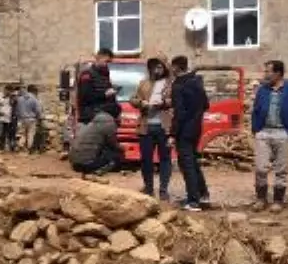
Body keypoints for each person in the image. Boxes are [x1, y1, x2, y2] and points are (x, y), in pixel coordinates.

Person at [250, 60, 288, 212]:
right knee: (261, 167)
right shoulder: (262, 90)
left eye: (268, 71)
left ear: (278, 73)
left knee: (281, 169)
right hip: (264, 132)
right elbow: (256, 110)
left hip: (282, 132)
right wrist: (256, 129)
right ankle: (261, 198)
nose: (265, 74)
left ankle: (278, 200)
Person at [169, 55, 210, 212]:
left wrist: (173, 134)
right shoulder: (197, 82)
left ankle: (193, 201)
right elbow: (206, 104)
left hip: (184, 130)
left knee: (187, 165)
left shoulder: (179, 85)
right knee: (193, 162)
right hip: (196, 129)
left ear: (176, 67)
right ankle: (203, 194)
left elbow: (179, 112)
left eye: (172, 67)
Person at [130, 57, 173, 201]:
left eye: (160, 67)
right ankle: (148, 187)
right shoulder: (144, 83)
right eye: (154, 67)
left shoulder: (170, 84)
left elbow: (176, 101)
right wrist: (141, 103)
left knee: (165, 159)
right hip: (146, 127)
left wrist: (164, 102)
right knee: (146, 159)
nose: (157, 70)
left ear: (165, 68)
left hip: (164, 127)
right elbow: (133, 99)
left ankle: (163, 190)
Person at [69, 110, 121, 175]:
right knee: (115, 155)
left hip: (74, 164)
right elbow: (113, 144)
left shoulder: (90, 124)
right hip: (87, 165)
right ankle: (99, 171)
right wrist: (122, 148)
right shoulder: (109, 124)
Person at [76, 47, 120, 124]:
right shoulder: (87, 74)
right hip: (91, 118)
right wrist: (105, 94)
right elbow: (86, 96)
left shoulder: (104, 75)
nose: (107, 64)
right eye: (106, 61)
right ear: (99, 58)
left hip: (103, 116)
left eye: (109, 62)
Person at [15, 85, 43, 152]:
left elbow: (17, 109)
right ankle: (29, 147)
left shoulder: (20, 98)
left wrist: (19, 117)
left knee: (23, 134)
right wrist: (39, 117)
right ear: (34, 91)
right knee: (31, 134)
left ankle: (21, 145)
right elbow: (38, 110)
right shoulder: (34, 99)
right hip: (31, 119)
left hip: (22, 119)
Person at [0, 86, 13, 151]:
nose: (9, 93)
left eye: (10, 92)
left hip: (7, 119)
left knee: (4, 134)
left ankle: (2, 148)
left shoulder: (11, 97)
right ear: (5, 90)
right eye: (8, 91)